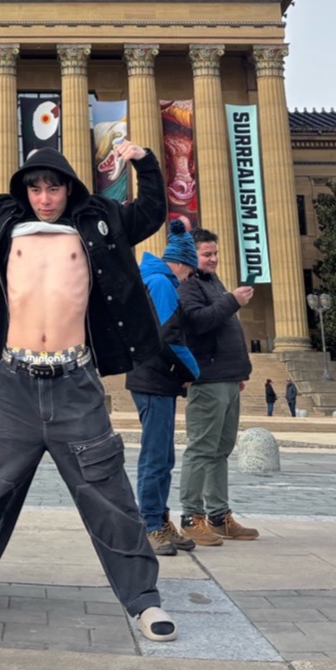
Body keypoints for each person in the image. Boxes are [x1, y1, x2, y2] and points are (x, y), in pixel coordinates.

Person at [0, 140, 178, 642]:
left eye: (54, 188)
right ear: (24, 191)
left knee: (111, 500)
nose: (45, 198)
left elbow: (150, 212)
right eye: (36, 188)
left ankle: (143, 601)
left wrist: (145, 163)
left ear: (69, 189)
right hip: (14, 385)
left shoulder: (98, 221)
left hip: (75, 385)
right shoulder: (2, 223)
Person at [177, 228, 260, 545]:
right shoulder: (188, 285)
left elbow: (225, 327)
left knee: (221, 451)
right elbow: (197, 322)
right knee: (201, 449)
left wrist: (240, 371)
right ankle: (191, 517)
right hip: (207, 379)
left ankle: (218, 515)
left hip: (228, 378)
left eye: (215, 253)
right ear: (191, 255)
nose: (213, 259)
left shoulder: (213, 282)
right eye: (206, 254)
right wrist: (232, 300)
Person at [125, 222, 200, 557]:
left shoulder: (155, 279)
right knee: (156, 456)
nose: (189, 279)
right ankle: (149, 524)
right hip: (153, 377)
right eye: (190, 272)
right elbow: (169, 336)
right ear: (181, 264)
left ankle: (159, 518)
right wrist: (193, 371)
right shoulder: (161, 282)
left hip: (157, 377)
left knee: (163, 455)